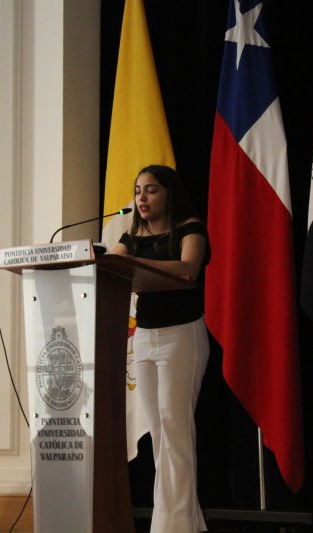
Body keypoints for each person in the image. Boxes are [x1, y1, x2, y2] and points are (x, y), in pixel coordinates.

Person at [110, 164, 211, 532]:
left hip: (181, 336)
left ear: (169, 193)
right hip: (145, 338)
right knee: (158, 434)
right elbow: (111, 266)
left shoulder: (190, 228)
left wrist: (133, 262)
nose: (142, 197)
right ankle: (183, 523)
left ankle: (171, 525)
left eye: (151, 190)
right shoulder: (132, 236)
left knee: (175, 431)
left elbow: (187, 270)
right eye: (138, 190)